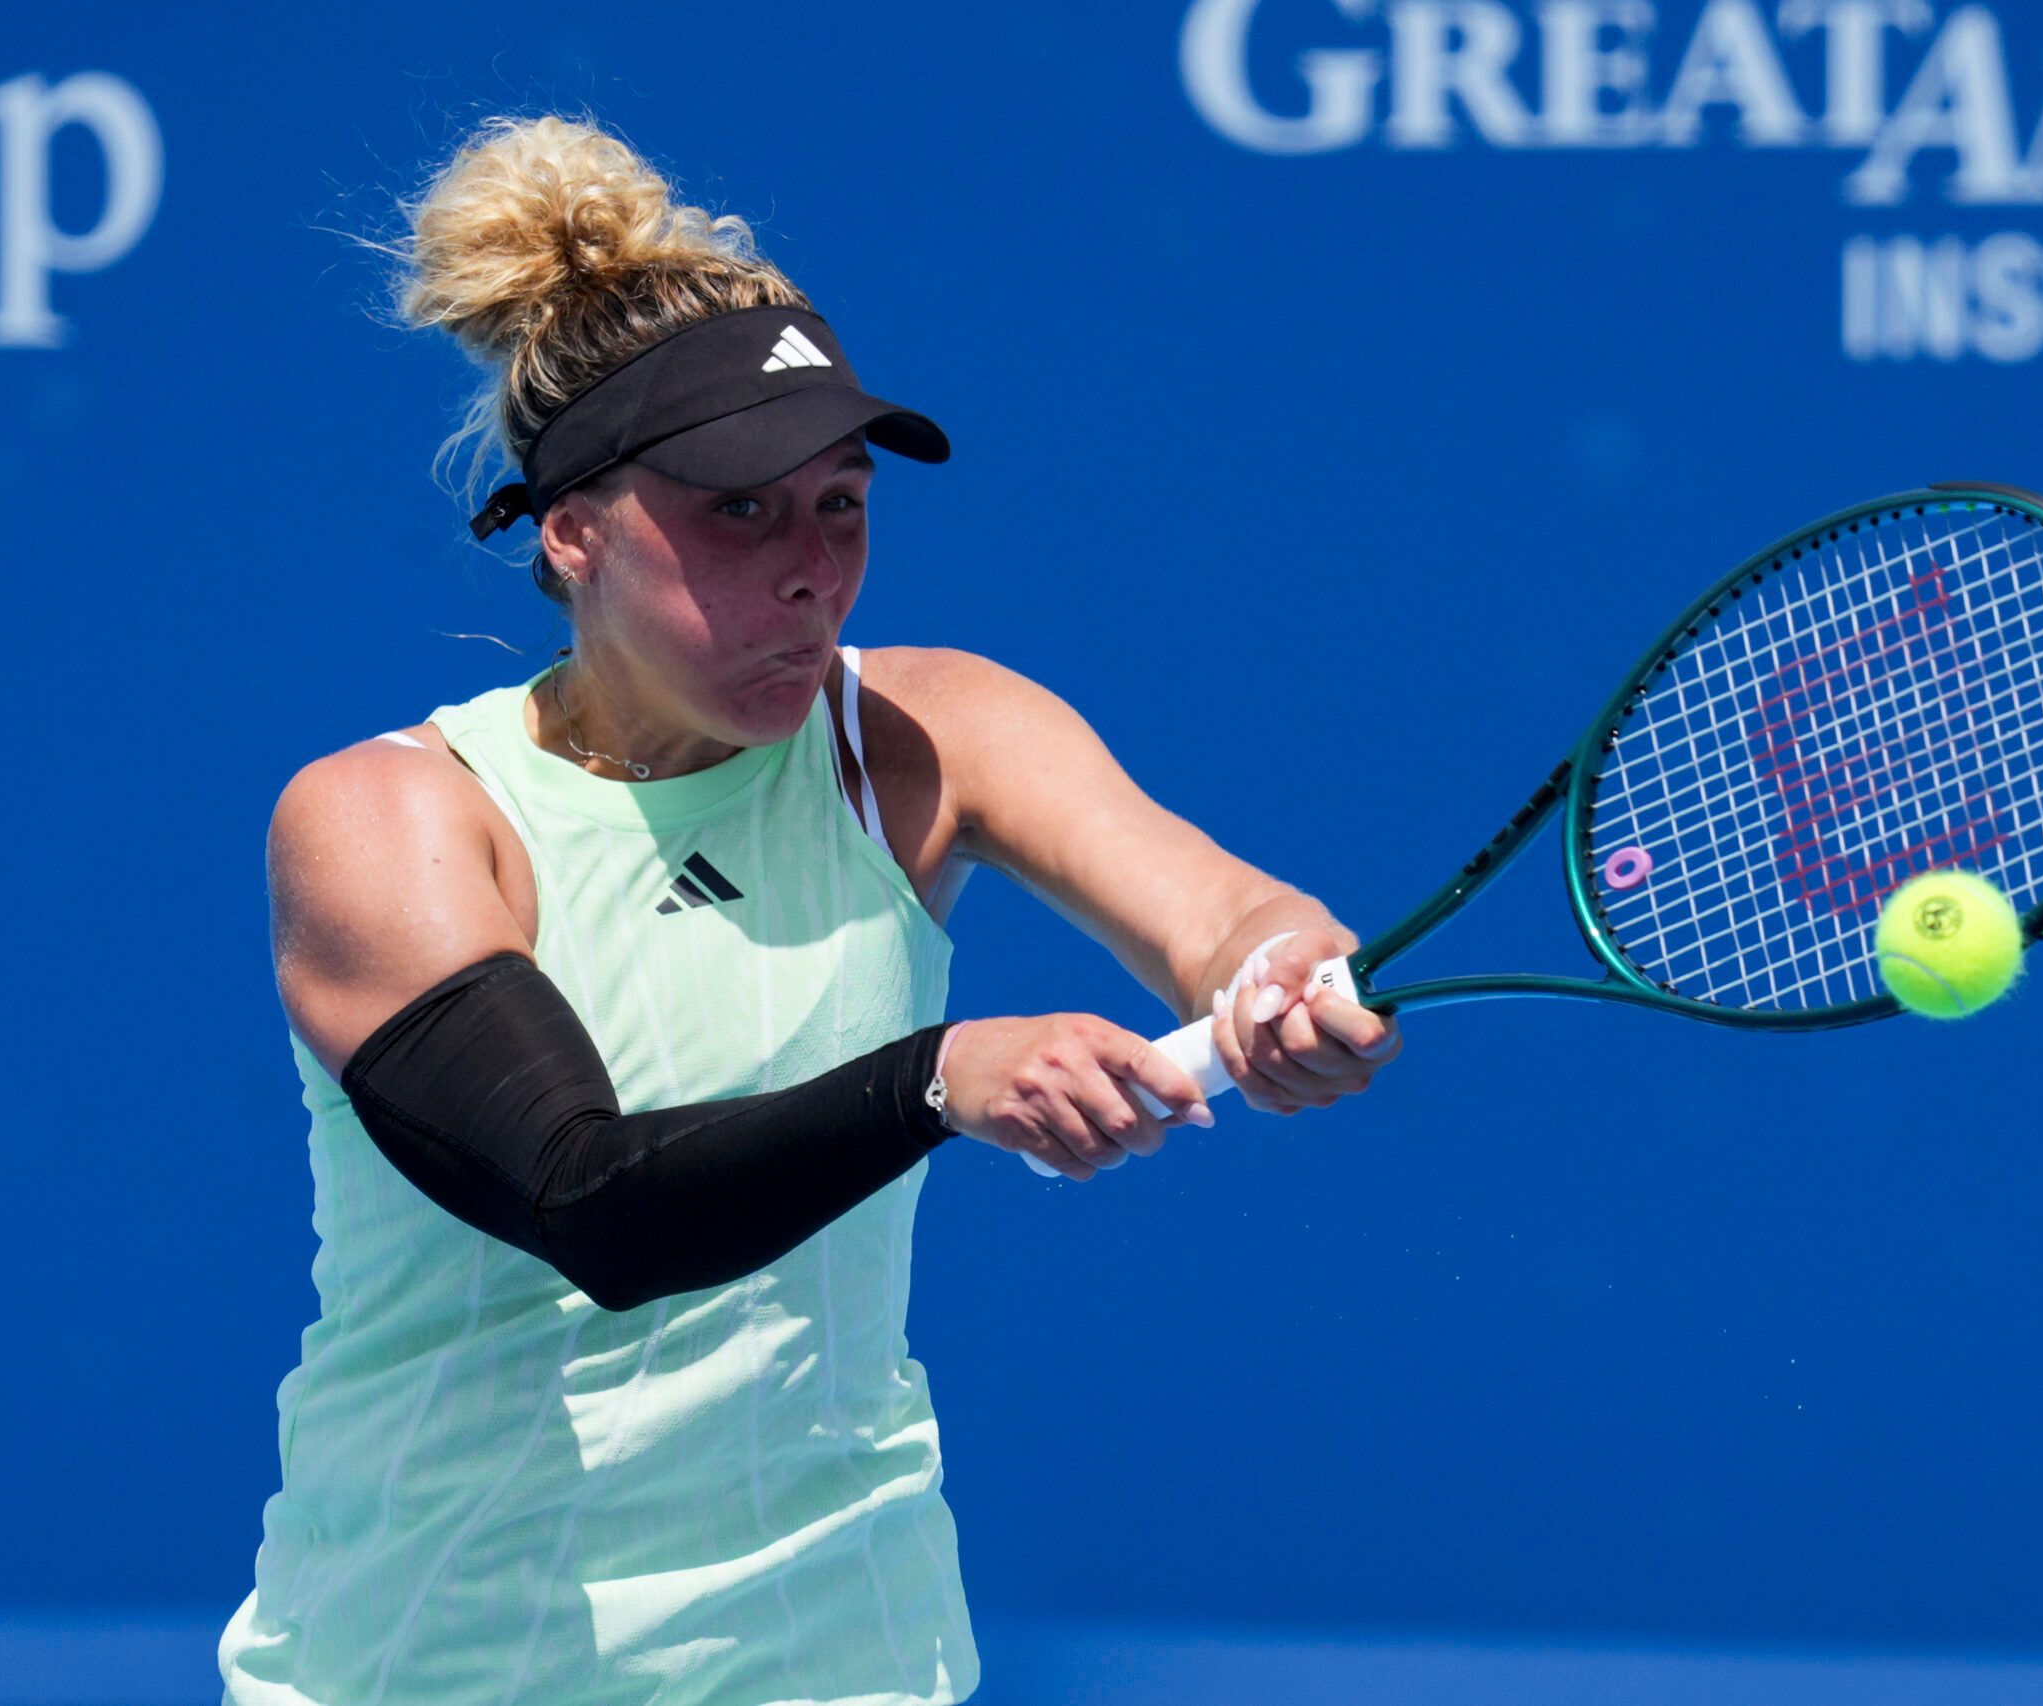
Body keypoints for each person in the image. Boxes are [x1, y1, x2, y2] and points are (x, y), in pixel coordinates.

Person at [218, 113, 1398, 1706]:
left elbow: (1224, 910)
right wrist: (938, 1076)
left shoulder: (925, 739)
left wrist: (1280, 979)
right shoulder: (388, 822)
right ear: (572, 532)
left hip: (843, 1663)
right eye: (739, 512)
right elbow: (597, 1203)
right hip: (428, 1670)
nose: (810, 571)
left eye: (840, 505)